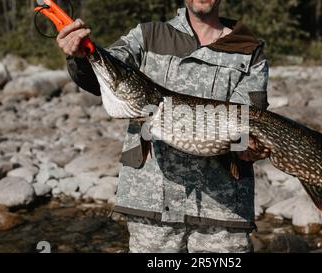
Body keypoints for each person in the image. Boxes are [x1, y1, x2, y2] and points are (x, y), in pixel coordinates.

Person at [58, 0, 269, 253]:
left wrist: (246, 147)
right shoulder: (148, 35)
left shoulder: (248, 50)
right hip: (152, 204)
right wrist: (80, 57)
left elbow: (246, 121)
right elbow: (99, 77)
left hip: (223, 210)